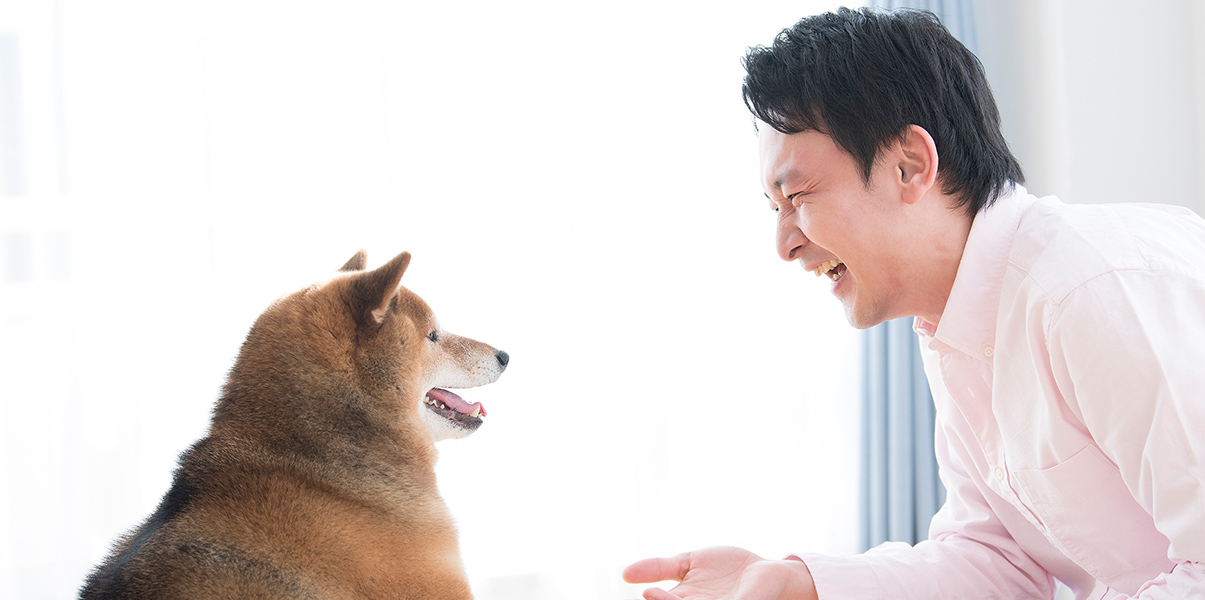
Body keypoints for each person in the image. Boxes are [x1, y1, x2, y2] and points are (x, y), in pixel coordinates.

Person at [624, 7, 1205, 600]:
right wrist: (802, 584)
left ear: (910, 165)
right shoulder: (959, 325)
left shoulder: (1089, 290)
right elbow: (997, 562)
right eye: (775, 209)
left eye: (797, 195)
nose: (785, 243)